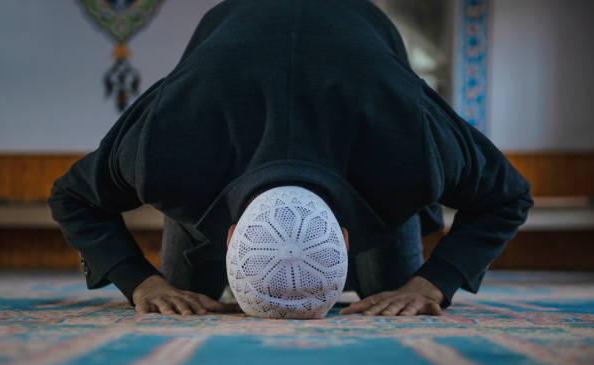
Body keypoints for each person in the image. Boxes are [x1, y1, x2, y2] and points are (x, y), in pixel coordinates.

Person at [48, 0, 533, 318]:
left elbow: (508, 195)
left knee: (397, 298)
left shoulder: (406, 144)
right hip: (221, 93)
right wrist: (140, 282)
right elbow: (72, 196)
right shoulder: (171, 144)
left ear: (347, 237)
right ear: (227, 233)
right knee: (172, 302)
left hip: (363, 72)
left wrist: (434, 283)